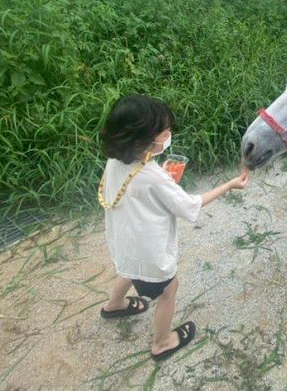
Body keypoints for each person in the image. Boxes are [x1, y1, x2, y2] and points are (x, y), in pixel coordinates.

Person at [98, 95, 249, 361]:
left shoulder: (116, 161)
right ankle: (162, 342)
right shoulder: (153, 177)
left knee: (129, 269)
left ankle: (114, 305)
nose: (169, 134)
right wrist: (228, 185)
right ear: (141, 140)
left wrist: (161, 174)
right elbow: (190, 206)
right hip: (149, 251)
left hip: (125, 241)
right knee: (169, 289)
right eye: (164, 131)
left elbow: (138, 186)